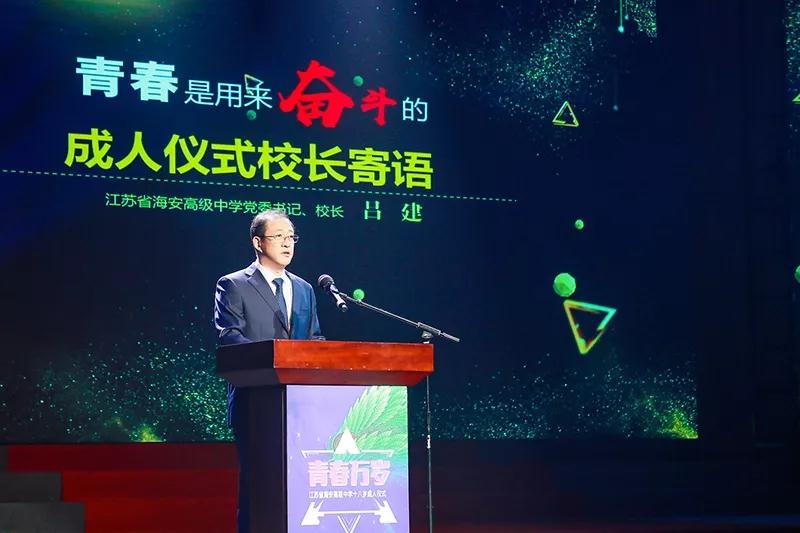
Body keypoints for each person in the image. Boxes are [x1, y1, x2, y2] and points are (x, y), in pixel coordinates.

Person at [214, 209, 322, 532]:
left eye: (291, 237)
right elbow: (230, 337)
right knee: (257, 488)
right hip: (255, 403)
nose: (288, 244)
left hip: (299, 405)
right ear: (258, 242)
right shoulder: (233, 285)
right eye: (279, 237)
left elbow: (314, 339)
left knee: (298, 487)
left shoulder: (304, 289)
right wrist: (275, 358)